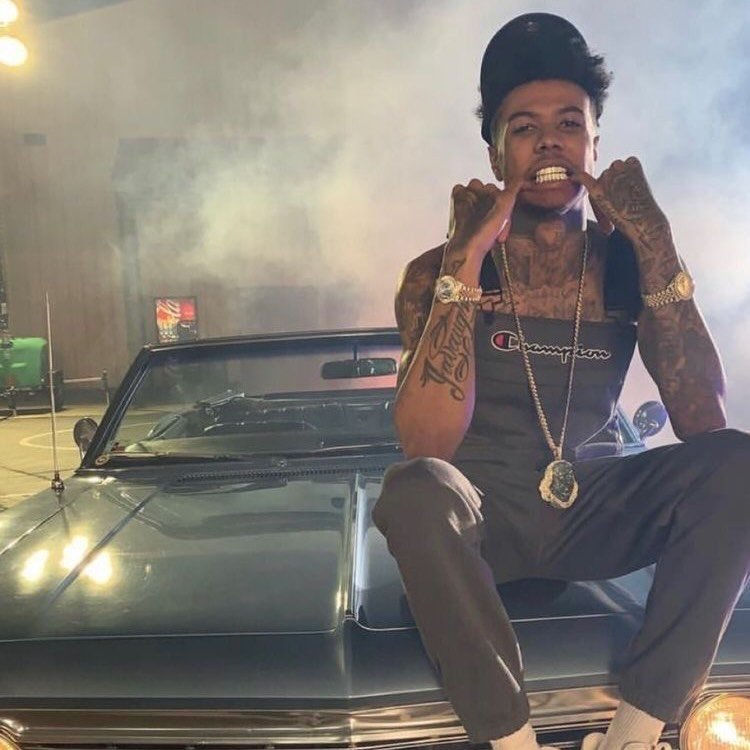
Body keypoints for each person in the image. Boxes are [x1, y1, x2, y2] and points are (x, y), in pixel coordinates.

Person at [372, 12, 749, 750]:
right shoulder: (435, 273)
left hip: (597, 509)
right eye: (524, 127)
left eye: (570, 123)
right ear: (494, 152)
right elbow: (425, 443)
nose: (549, 141)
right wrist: (464, 264)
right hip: (487, 517)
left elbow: (704, 422)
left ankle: (635, 732)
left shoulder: (630, 266)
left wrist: (656, 242)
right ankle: (512, 739)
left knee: (740, 463)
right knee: (413, 489)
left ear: (595, 145)